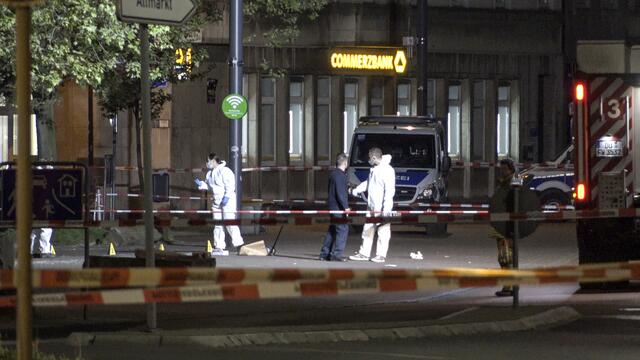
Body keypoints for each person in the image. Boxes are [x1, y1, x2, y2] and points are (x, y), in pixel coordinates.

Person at [349, 147, 395, 263]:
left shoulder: (387, 170)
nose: (368, 160)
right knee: (367, 229)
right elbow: (369, 183)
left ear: (374, 158)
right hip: (372, 205)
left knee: (383, 231)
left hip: (382, 207)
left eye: (369, 158)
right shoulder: (375, 169)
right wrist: (355, 190)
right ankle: (364, 253)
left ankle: (381, 255)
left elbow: (389, 192)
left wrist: (386, 210)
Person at [195, 153, 244, 255]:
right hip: (217, 202)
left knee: (229, 223)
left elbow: (230, 185)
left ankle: (239, 245)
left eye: (208, 161)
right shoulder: (209, 174)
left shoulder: (225, 171)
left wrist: (226, 196)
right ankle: (219, 246)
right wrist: (202, 184)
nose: (207, 163)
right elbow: (209, 186)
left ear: (213, 161)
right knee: (218, 225)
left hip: (228, 201)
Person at [490, 158, 516, 297]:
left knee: (505, 257)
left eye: (504, 169)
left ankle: (509, 287)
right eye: (501, 168)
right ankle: (509, 285)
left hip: (507, 225)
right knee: (503, 257)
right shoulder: (503, 184)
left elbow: (513, 203)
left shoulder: (512, 184)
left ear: (510, 169)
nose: (502, 171)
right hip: (500, 224)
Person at [319, 153, 350, 262]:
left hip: (332, 206)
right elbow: (341, 193)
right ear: (345, 163)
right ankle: (337, 255)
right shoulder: (341, 176)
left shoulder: (332, 174)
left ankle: (324, 254)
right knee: (343, 229)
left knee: (332, 230)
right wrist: (346, 207)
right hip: (338, 207)